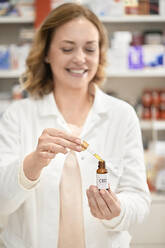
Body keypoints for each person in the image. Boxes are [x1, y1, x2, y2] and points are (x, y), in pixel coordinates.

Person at [0, 2, 150, 248]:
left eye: (90, 49)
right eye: (67, 48)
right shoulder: (18, 116)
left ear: (100, 53)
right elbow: (3, 202)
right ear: (47, 53)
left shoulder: (121, 116)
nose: (80, 59)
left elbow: (139, 200)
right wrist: (33, 163)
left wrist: (116, 211)